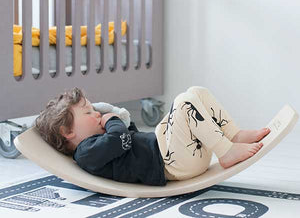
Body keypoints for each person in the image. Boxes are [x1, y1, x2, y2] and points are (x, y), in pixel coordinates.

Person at [35, 86, 270, 185]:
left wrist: (122, 121)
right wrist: (113, 120)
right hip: (171, 164)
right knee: (184, 102)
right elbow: (121, 140)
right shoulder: (86, 151)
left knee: (195, 92)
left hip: (173, 153)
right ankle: (225, 151)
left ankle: (233, 135)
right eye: (89, 112)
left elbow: (131, 141)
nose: (98, 114)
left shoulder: (101, 142)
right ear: (68, 132)